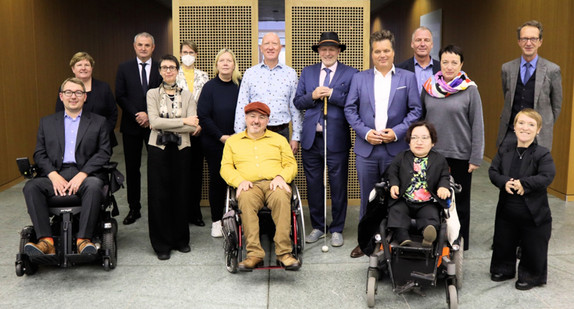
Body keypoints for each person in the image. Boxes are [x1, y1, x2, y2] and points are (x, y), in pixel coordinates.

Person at [344, 29, 422, 258]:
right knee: (368, 197)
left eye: (386, 50)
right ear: (372, 53)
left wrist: (396, 133)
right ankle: (365, 242)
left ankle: (396, 238)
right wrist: (365, 132)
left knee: (397, 195)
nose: (382, 55)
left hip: (395, 149)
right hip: (367, 150)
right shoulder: (360, 78)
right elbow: (350, 109)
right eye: (377, 51)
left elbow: (416, 109)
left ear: (393, 51)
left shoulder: (407, 78)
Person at [23, 77, 111, 255]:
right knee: (31, 187)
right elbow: (39, 153)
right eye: (69, 92)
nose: (73, 96)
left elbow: (104, 152)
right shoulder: (46, 122)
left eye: (78, 93)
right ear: (61, 96)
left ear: (84, 97)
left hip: (86, 174)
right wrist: (53, 175)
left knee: (94, 186)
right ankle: (46, 242)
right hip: (57, 173)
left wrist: (83, 174)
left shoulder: (99, 122)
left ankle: (83, 240)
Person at [294, 32, 358, 248]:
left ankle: (337, 228)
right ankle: (318, 226)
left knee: (338, 185)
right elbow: (298, 101)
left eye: (332, 49)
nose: (328, 53)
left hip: (337, 138)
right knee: (313, 185)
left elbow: (354, 101)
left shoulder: (351, 73)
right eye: (324, 49)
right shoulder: (308, 72)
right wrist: (312, 96)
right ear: (319, 52)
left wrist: (332, 93)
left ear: (338, 51)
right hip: (312, 138)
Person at [221, 102, 300, 271]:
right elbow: (225, 167)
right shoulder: (233, 142)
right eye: (252, 116)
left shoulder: (279, 140)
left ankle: (284, 253)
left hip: (274, 182)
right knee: (247, 200)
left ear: (267, 121)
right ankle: (254, 254)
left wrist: (281, 177)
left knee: (281, 197)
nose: (256, 121)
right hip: (248, 185)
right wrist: (239, 181)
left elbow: (291, 164)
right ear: (246, 118)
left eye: (261, 117)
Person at [421, 44, 484, 251]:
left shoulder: (470, 89)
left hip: (461, 155)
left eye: (454, 63)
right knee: (431, 198)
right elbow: (421, 119)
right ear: (440, 63)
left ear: (461, 64)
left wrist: (476, 157)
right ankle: (435, 239)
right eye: (445, 62)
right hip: (432, 155)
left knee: (460, 202)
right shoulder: (428, 87)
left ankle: (459, 242)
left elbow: (477, 124)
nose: (449, 67)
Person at [489, 109, 555, 291]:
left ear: (538, 130)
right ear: (514, 126)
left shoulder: (543, 154)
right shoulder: (505, 150)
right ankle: (503, 268)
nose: (525, 127)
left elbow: (547, 176)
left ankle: (531, 275)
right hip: (507, 209)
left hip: (533, 212)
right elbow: (493, 171)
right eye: (521, 123)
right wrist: (504, 182)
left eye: (531, 124)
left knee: (533, 244)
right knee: (504, 240)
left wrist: (524, 184)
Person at [146, 54, 199, 260]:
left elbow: (193, 125)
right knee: (159, 196)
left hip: (181, 149)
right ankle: (162, 244)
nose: (168, 71)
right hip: (158, 150)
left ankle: (180, 240)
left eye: (172, 67)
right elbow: (153, 122)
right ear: (159, 71)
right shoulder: (152, 94)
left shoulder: (187, 95)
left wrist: (175, 122)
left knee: (181, 193)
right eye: (164, 67)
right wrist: (182, 120)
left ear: (177, 71)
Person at [115, 32, 162, 225]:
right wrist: (138, 114)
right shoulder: (124, 68)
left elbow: (163, 93)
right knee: (133, 169)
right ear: (134, 47)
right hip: (132, 125)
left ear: (153, 47)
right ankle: (134, 208)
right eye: (140, 45)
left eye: (147, 45)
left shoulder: (161, 67)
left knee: (157, 167)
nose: (143, 48)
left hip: (155, 125)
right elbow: (120, 95)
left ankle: (157, 208)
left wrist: (150, 115)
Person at [496, 20, 563, 151]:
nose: (528, 43)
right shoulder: (507, 68)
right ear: (519, 42)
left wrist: (542, 126)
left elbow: (556, 106)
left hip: (538, 137)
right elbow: (507, 96)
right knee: (506, 170)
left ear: (540, 42)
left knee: (533, 171)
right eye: (524, 39)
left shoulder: (552, 70)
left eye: (533, 39)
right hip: (510, 134)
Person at [197, 48, 242, 238]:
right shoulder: (209, 87)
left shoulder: (240, 86)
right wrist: (221, 136)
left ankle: (236, 218)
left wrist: (237, 137)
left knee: (239, 181)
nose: (225, 63)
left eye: (229, 61)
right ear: (216, 65)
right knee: (217, 181)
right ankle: (217, 221)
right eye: (221, 60)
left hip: (239, 142)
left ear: (234, 65)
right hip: (215, 142)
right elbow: (204, 116)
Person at [234, 32, 303, 154]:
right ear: (261, 48)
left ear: (280, 47)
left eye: (274, 43)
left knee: (279, 171)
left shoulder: (290, 73)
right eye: (266, 43)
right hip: (254, 132)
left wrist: (296, 137)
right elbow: (242, 104)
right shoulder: (250, 73)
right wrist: (240, 135)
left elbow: (294, 107)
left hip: (281, 132)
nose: (270, 47)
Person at [387, 121, 450, 247]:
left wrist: (443, 187)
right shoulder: (402, 156)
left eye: (424, 138)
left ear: (433, 142)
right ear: (409, 141)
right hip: (404, 199)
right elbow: (392, 172)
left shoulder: (439, 159)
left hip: (427, 202)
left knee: (431, 216)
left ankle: (428, 235)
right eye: (414, 138)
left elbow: (444, 176)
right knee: (396, 211)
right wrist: (394, 184)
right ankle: (403, 238)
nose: (419, 142)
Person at [176, 40, 210, 227]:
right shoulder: (173, 75)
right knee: (181, 173)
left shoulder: (203, 76)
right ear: (180, 54)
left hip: (198, 131)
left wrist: (200, 125)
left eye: (191, 52)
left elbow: (205, 105)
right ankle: (181, 212)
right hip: (179, 131)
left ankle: (195, 213)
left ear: (196, 55)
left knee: (196, 173)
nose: (188, 55)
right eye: (185, 52)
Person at [56, 52, 118, 148]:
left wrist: (103, 133)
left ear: (92, 68)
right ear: (73, 69)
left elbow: (113, 113)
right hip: (74, 140)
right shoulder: (65, 88)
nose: (83, 68)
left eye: (87, 65)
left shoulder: (104, 87)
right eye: (79, 65)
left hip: (102, 140)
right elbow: (60, 114)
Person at [396, 26, 441, 92]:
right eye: (418, 40)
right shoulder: (400, 69)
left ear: (432, 45)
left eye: (426, 40)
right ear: (412, 44)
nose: (422, 44)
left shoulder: (442, 69)